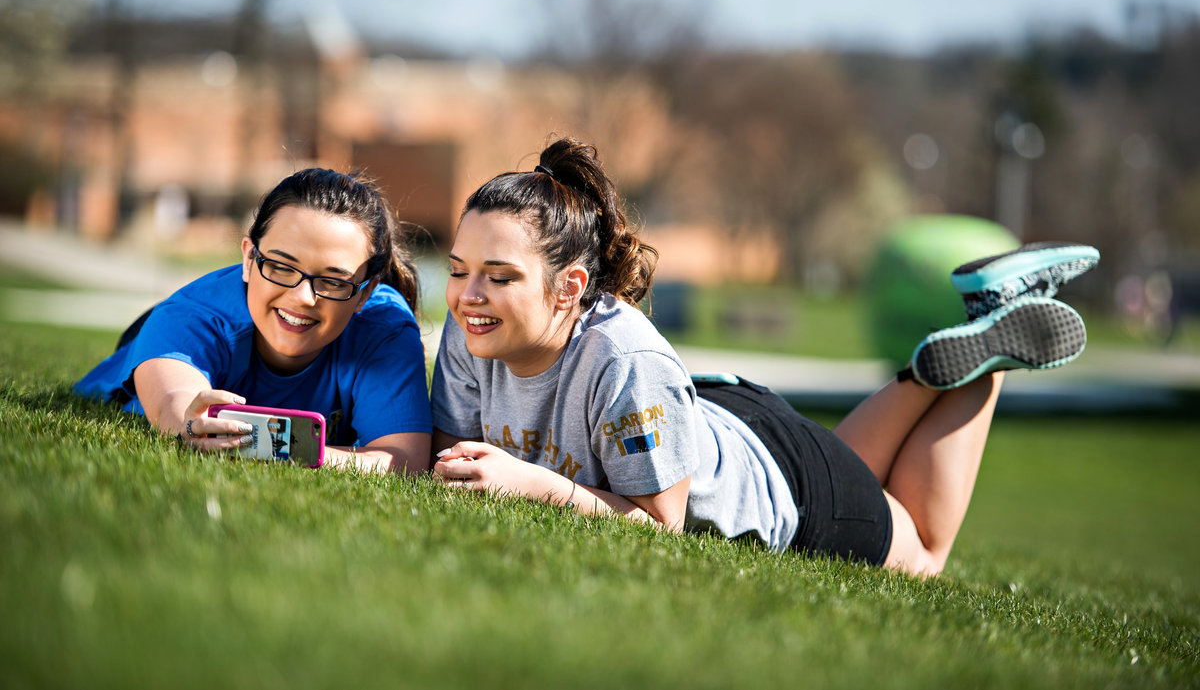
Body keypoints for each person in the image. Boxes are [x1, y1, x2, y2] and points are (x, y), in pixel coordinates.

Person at [430, 137, 1097, 577]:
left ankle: (995, 350)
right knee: (855, 473)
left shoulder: (623, 356)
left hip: (786, 488)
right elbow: (450, 467)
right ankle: (957, 347)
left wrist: (537, 484)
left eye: (499, 275)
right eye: (458, 270)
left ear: (570, 286)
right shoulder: (468, 331)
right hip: (720, 424)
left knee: (923, 552)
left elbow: (660, 526)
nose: (468, 295)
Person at [75, 167, 432, 475]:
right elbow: (180, 411)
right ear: (249, 259)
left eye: (333, 281)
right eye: (280, 266)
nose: (302, 297)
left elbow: (405, 459)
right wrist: (191, 426)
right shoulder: (193, 317)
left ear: (364, 293)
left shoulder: (384, 323)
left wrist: (298, 452)